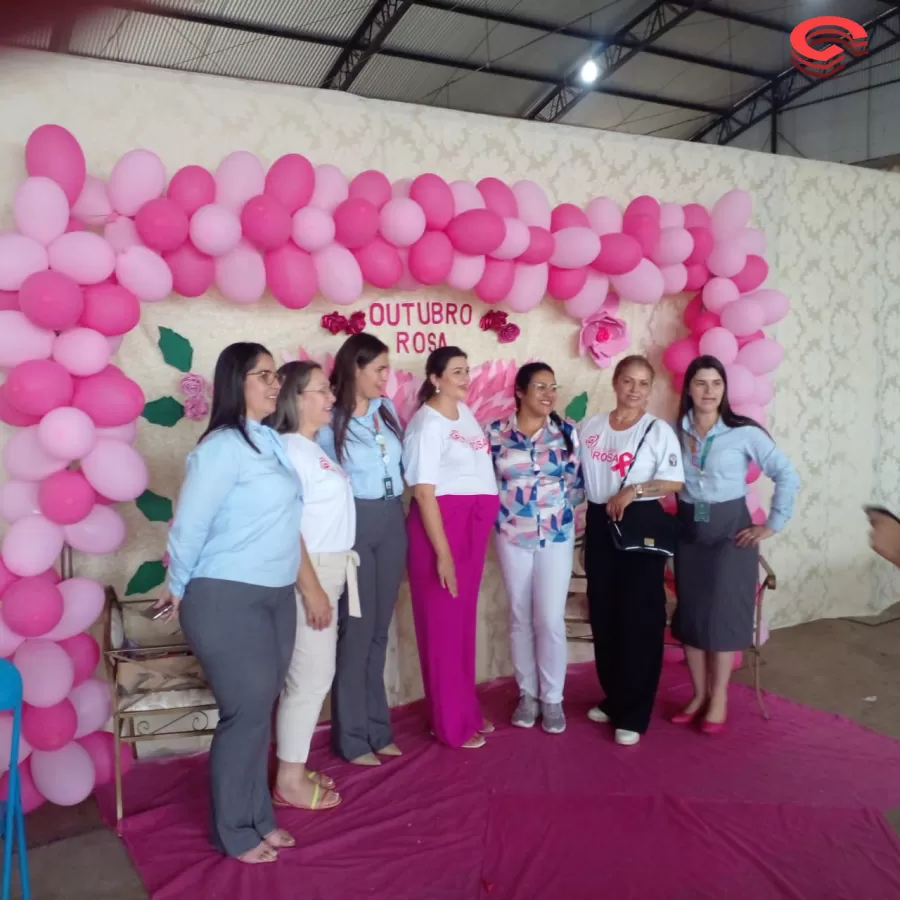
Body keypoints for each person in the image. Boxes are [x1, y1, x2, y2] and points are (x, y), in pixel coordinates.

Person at [159, 343, 301, 864]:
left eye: (275, 375)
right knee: (244, 714)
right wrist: (177, 584)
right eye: (262, 375)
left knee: (260, 711)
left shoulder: (268, 441)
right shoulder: (221, 447)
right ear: (234, 382)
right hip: (226, 595)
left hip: (275, 594)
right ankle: (234, 831)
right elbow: (190, 523)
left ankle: (258, 817)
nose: (273, 384)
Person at [671, 355, 800, 733]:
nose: (708, 391)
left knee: (723, 616)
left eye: (716, 383)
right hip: (690, 531)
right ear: (689, 388)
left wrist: (772, 524)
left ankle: (719, 698)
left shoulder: (743, 432)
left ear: (724, 389)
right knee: (692, 616)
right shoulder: (673, 430)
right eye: (700, 383)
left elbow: (787, 475)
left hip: (732, 534)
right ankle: (697, 695)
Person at [578, 355, 685, 746]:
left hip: (638, 524)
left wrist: (634, 490)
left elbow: (673, 482)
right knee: (604, 613)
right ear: (615, 382)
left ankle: (635, 712)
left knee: (640, 618)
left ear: (650, 389)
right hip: (599, 521)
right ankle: (614, 697)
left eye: (643, 383)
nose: (634, 389)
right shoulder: (589, 427)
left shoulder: (657, 431)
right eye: (628, 381)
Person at [403, 346, 500, 750]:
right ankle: (449, 724)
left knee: (461, 627)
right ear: (435, 378)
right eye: (457, 371)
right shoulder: (427, 424)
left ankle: (465, 710)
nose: (466, 377)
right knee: (442, 629)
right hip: (440, 531)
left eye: (467, 369)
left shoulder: (466, 414)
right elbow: (424, 494)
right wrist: (442, 552)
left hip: (470, 533)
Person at [270, 361, 355, 811]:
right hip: (312, 574)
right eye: (322, 391)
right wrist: (313, 589)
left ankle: (294, 768)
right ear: (295, 397)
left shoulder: (311, 446)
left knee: (312, 674)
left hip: (331, 570)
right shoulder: (288, 449)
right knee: (310, 677)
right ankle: (288, 779)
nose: (331, 398)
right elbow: (288, 528)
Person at [318, 333, 406, 766]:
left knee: (378, 631)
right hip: (353, 522)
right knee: (356, 631)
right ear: (355, 368)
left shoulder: (386, 410)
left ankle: (377, 728)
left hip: (393, 520)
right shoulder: (327, 419)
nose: (386, 377)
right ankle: (351, 737)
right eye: (379, 369)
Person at [487, 362, 584, 734]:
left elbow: (576, 485)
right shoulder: (495, 433)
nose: (548, 394)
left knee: (549, 619)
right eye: (540, 387)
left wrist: (557, 513)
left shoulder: (567, 433)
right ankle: (527, 693)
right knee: (519, 616)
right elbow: (486, 481)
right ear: (520, 392)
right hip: (512, 535)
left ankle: (553, 698)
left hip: (556, 537)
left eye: (553, 387)